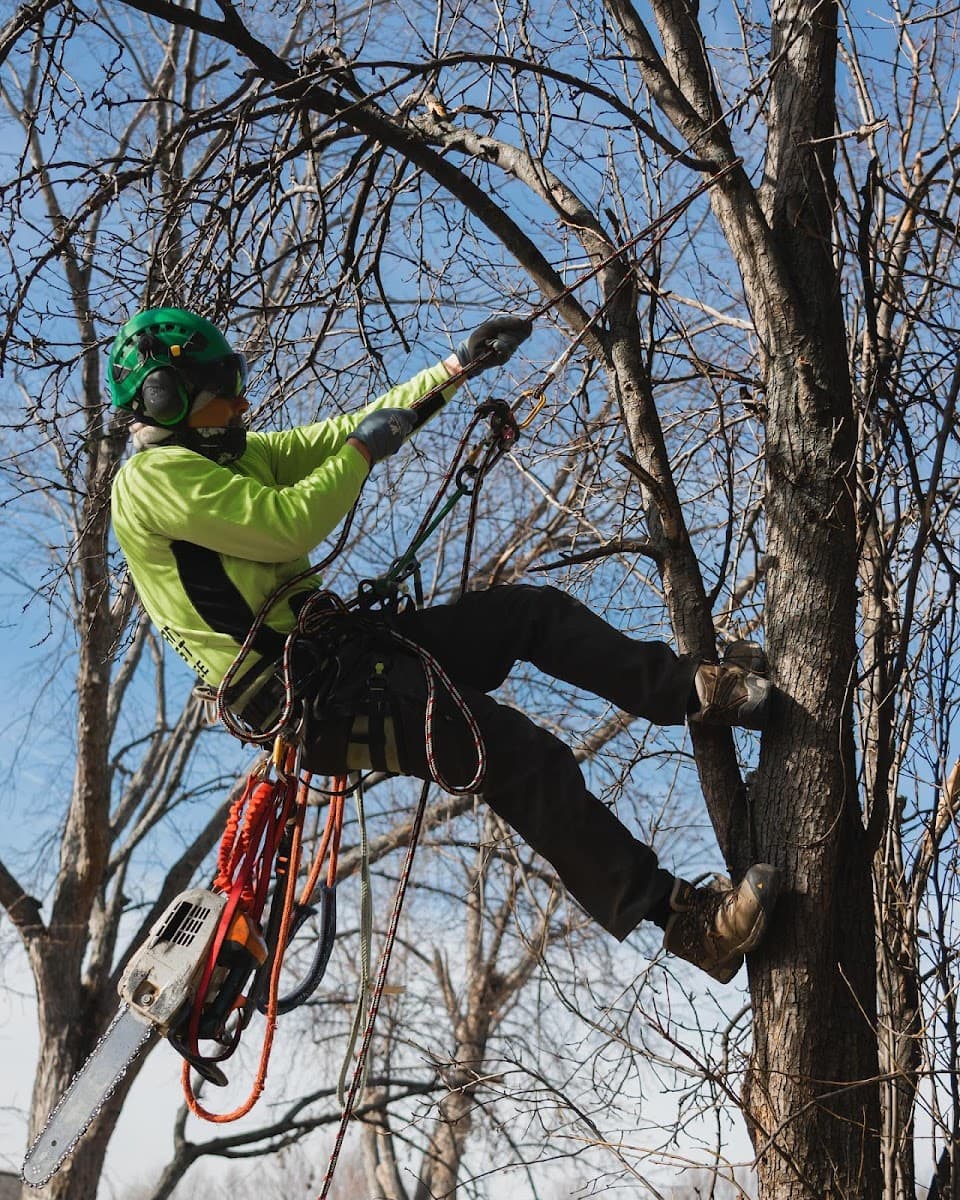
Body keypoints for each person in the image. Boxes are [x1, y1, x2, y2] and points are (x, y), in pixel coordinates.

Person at [109, 306, 781, 984]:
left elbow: (347, 431)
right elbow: (288, 524)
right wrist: (364, 450)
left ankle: (689, 688)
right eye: (223, 391)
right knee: (517, 755)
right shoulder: (150, 482)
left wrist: (457, 368)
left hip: (343, 654)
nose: (242, 402)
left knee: (526, 615)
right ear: (167, 399)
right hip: (314, 702)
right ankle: (689, 925)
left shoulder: (234, 454)